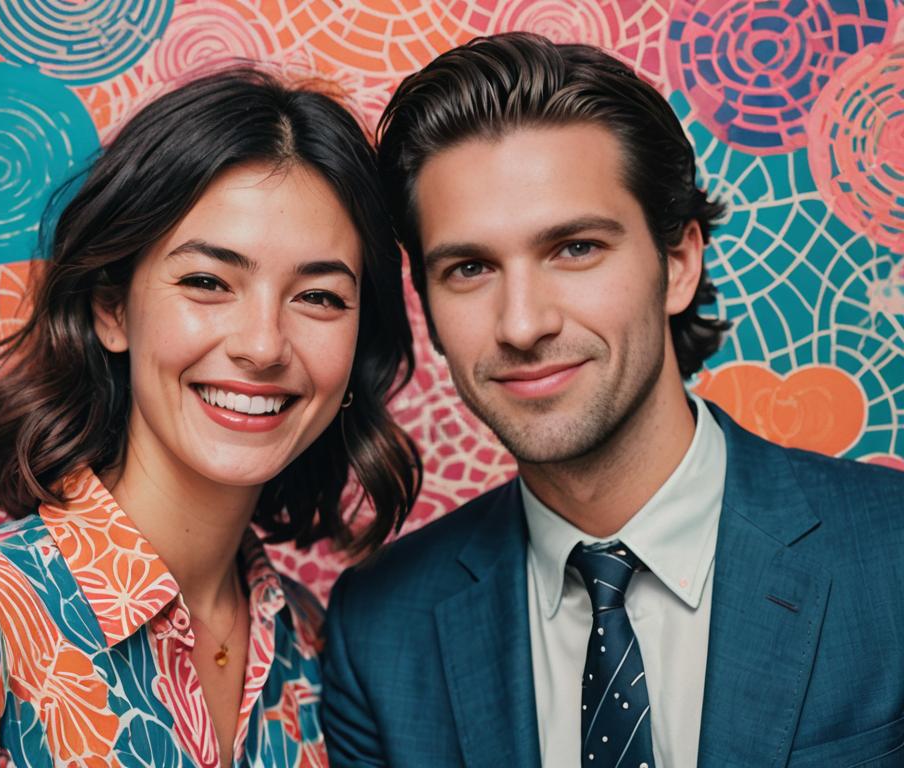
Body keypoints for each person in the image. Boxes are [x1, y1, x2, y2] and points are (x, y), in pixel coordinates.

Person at [321, 32, 904, 768]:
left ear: (680, 262)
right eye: (469, 267)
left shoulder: (892, 557)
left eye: (575, 248)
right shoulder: (379, 635)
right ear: (428, 307)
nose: (524, 323)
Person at [0, 68, 420, 766]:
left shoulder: (320, 652)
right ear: (112, 309)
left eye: (318, 297)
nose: (262, 345)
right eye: (207, 282)